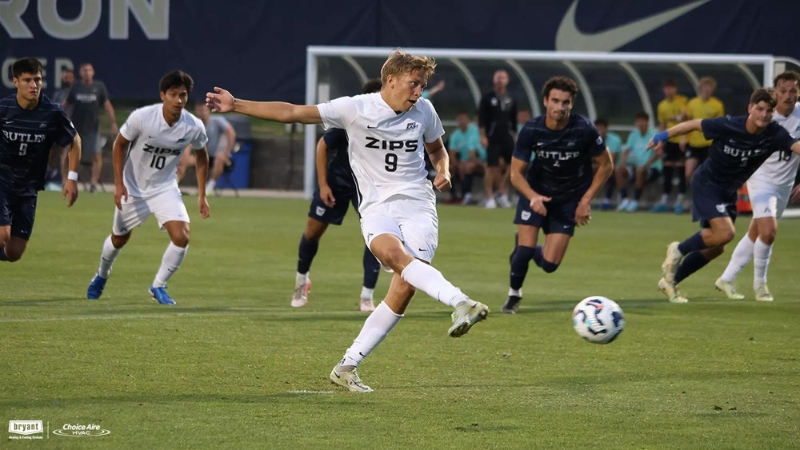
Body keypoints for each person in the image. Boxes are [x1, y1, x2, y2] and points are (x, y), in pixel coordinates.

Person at [206, 49, 490, 392]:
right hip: (375, 208)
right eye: (414, 84)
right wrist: (237, 105)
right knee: (393, 256)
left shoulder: (424, 111)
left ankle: (347, 366)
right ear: (391, 80)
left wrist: (443, 170)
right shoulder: (354, 108)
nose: (419, 92)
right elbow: (293, 112)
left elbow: (437, 150)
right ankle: (460, 301)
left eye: (423, 85)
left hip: (418, 205)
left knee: (403, 288)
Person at [652, 88, 800, 304]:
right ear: (750, 108)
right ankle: (678, 249)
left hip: (727, 191)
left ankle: (670, 280)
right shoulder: (729, 124)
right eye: (759, 109)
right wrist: (663, 136)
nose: (764, 115)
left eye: (769, 111)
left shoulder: (774, 133)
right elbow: (694, 124)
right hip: (707, 183)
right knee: (725, 233)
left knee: (716, 247)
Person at [86, 70, 210, 305]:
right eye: (173, 94)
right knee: (119, 239)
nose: (178, 100)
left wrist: (202, 195)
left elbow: (202, 156)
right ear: (162, 95)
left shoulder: (193, 126)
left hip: (164, 188)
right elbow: (119, 145)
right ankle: (102, 274)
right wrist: (119, 184)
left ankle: (158, 285)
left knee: (182, 236)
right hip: (133, 188)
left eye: (183, 95)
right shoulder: (142, 118)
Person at [502, 76, 613, 314]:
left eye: (566, 102)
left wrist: (585, 201)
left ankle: (532, 250)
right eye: (555, 100)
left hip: (568, 200)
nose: (560, 107)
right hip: (535, 192)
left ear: (572, 104)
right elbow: (515, 174)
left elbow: (606, 165)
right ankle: (513, 296)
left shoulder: (583, 129)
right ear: (545, 101)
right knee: (524, 250)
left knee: (550, 265)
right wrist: (533, 197)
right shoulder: (531, 129)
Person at [292, 78, 383, 312]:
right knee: (313, 231)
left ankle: (367, 296)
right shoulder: (351, 118)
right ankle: (301, 282)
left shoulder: (393, 123)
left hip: (368, 187)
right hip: (339, 181)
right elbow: (323, 146)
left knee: (376, 238)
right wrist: (323, 184)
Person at [717, 71, 800, 301]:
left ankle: (726, 278)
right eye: (783, 91)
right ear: (775, 92)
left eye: (793, 90)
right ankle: (760, 285)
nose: (788, 95)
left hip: (785, 184)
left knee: (756, 232)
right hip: (761, 179)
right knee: (769, 231)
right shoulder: (766, 116)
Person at [0, 57, 82, 262]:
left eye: (37, 79)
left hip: (29, 186)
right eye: (27, 80)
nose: (34, 85)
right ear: (16, 81)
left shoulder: (52, 112)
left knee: (14, 252)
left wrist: (71, 178)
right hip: (2, 180)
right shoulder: (3, 109)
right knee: (3, 235)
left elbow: (75, 141)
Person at [63, 63, 118, 193]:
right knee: (66, 156)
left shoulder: (98, 87)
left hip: (92, 128)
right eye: (84, 70)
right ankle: (65, 181)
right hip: (75, 128)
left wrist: (113, 122)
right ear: (81, 73)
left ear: (93, 72)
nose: (87, 72)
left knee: (96, 156)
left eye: (89, 70)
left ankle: (93, 183)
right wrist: (56, 115)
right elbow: (66, 103)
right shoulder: (76, 87)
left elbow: (107, 104)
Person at [177, 103, 236, 194]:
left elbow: (231, 133)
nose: (203, 113)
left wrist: (227, 152)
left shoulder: (218, 120)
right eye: (201, 110)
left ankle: (209, 188)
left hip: (217, 157)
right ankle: (174, 185)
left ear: (208, 110)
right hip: (202, 157)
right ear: (197, 111)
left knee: (220, 158)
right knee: (184, 158)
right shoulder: (194, 124)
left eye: (205, 110)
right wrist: (186, 152)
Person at [479, 69, 517, 209]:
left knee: (513, 164)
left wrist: (516, 135)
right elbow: (482, 119)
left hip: (507, 136)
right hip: (492, 136)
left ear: (507, 80)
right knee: (491, 166)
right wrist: (483, 136)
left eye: (503, 77)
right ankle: (489, 196)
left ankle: (502, 191)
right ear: (494, 80)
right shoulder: (487, 97)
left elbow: (513, 121)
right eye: (498, 77)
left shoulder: (510, 98)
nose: (500, 80)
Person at [652, 79, 688, 213]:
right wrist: (659, 143)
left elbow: (685, 119)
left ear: (676, 89)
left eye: (672, 88)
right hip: (669, 140)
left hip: (681, 141)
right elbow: (662, 124)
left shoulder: (682, 101)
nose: (669, 90)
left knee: (681, 170)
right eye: (667, 88)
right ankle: (664, 200)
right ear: (664, 90)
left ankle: (679, 201)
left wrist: (684, 138)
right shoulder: (662, 105)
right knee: (667, 170)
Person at [615, 112, 661, 212]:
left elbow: (658, 154)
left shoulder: (654, 134)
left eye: (642, 121)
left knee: (640, 171)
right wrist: (621, 164)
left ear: (647, 122)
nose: (640, 124)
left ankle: (635, 201)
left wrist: (645, 166)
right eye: (638, 121)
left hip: (653, 168)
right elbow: (626, 152)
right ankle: (625, 200)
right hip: (638, 167)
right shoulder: (633, 135)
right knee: (618, 170)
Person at [682, 77, 724, 184]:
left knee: (708, 173)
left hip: (709, 144)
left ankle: (704, 196)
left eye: (710, 87)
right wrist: (683, 138)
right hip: (694, 144)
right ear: (700, 88)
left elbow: (720, 125)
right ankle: (695, 193)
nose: (707, 89)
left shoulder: (717, 105)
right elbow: (687, 123)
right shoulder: (692, 103)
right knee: (688, 173)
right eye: (705, 87)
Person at [45, 68, 75, 191]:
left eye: (69, 77)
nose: (67, 79)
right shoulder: (58, 94)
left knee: (65, 154)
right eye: (65, 77)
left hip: (72, 127)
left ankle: (64, 181)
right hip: (58, 126)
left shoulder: (76, 93)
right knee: (51, 151)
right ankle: (49, 172)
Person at [447, 110, 486, 205]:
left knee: (468, 167)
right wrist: (458, 164)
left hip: (478, 161)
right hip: (465, 162)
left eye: (464, 119)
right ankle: (455, 196)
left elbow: (473, 153)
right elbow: (452, 154)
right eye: (460, 119)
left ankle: (468, 194)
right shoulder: (455, 135)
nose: (462, 121)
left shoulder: (474, 131)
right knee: (449, 169)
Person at [593, 118, 623, 210]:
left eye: (601, 128)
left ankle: (608, 200)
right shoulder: (592, 139)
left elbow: (610, 160)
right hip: (599, 165)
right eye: (597, 128)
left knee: (608, 169)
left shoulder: (614, 140)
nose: (599, 131)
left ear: (606, 128)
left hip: (613, 167)